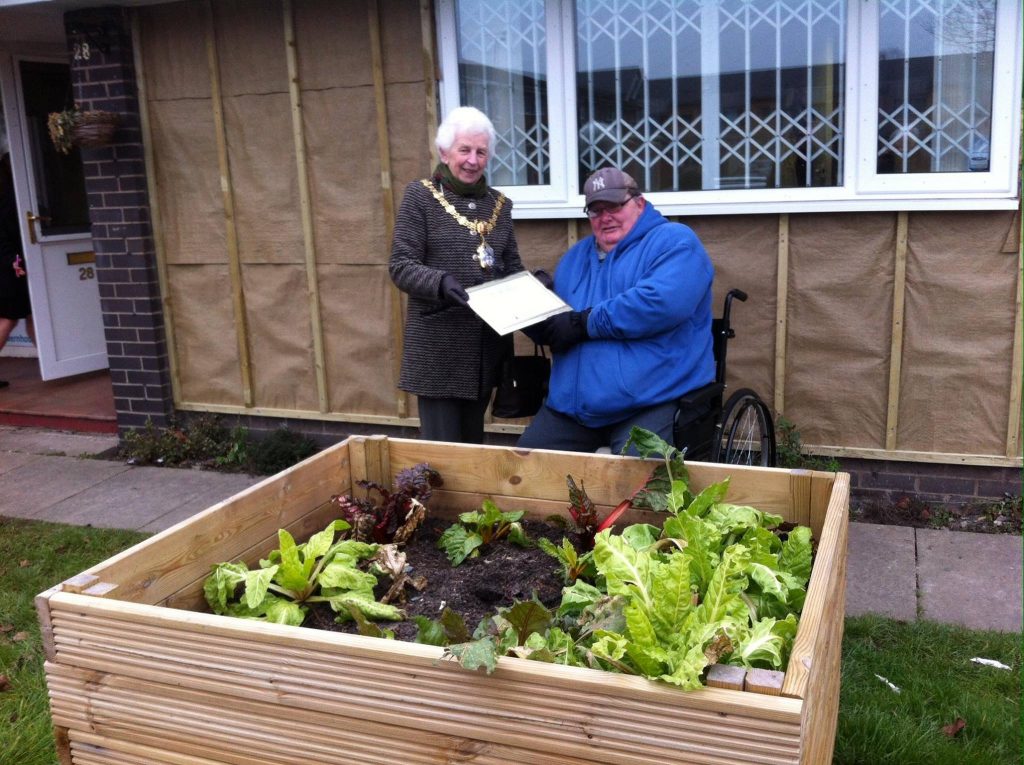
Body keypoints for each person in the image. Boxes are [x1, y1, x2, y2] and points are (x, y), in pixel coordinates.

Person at [518, 167, 715, 454]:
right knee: (522, 473)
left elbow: (658, 303)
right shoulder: (575, 257)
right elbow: (561, 323)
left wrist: (584, 322)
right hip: (571, 410)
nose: (605, 217)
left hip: (649, 401)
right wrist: (534, 316)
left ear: (639, 203)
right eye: (595, 211)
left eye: (613, 206)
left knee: (638, 486)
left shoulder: (674, 241)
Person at [389, 106, 524, 443]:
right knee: (443, 454)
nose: (472, 160)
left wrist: (533, 285)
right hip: (439, 349)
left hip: (485, 350)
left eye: (481, 152)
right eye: (464, 150)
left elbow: (511, 266)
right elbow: (401, 266)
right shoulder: (419, 196)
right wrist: (439, 282)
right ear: (444, 152)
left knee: (473, 449)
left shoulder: (500, 205)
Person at [0, 151, 33, 389]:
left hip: (11, 262)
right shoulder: (8, 195)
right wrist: (15, 260)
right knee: (9, 318)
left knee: (33, 314)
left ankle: (54, 364)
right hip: (9, 265)